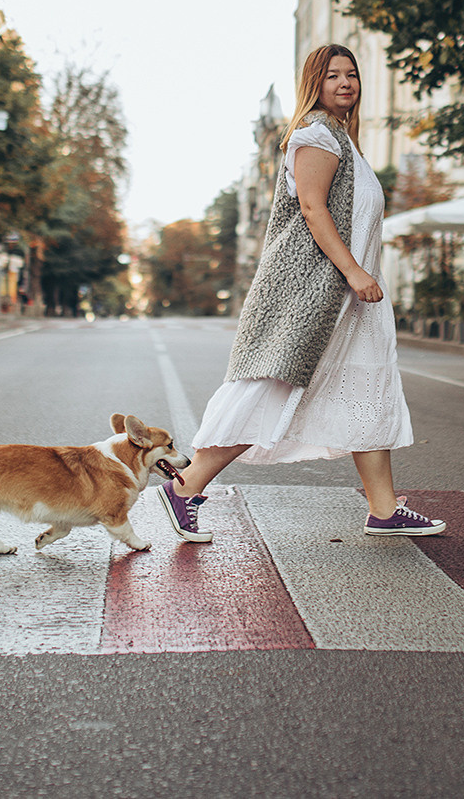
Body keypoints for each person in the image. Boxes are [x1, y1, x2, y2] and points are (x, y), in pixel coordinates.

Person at [151, 44, 445, 541]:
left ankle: (383, 509)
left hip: (348, 298)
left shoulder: (342, 139)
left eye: (351, 74)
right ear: (314, 83)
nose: (345, 83)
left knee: (366, 391)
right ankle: (185, 487)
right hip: (315, 293)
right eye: (333, 76)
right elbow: (313, 208)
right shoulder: (316, 134)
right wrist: (354, 272)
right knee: (273, 388)